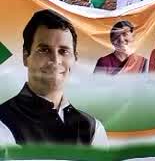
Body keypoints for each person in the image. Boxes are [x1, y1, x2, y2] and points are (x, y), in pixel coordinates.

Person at [0, 10, 108, 146]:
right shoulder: (3, 122)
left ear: (75, 59)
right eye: (44, 50)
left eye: (64, 51)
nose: (55, 60)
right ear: (25, 56)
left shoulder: (93, 129)